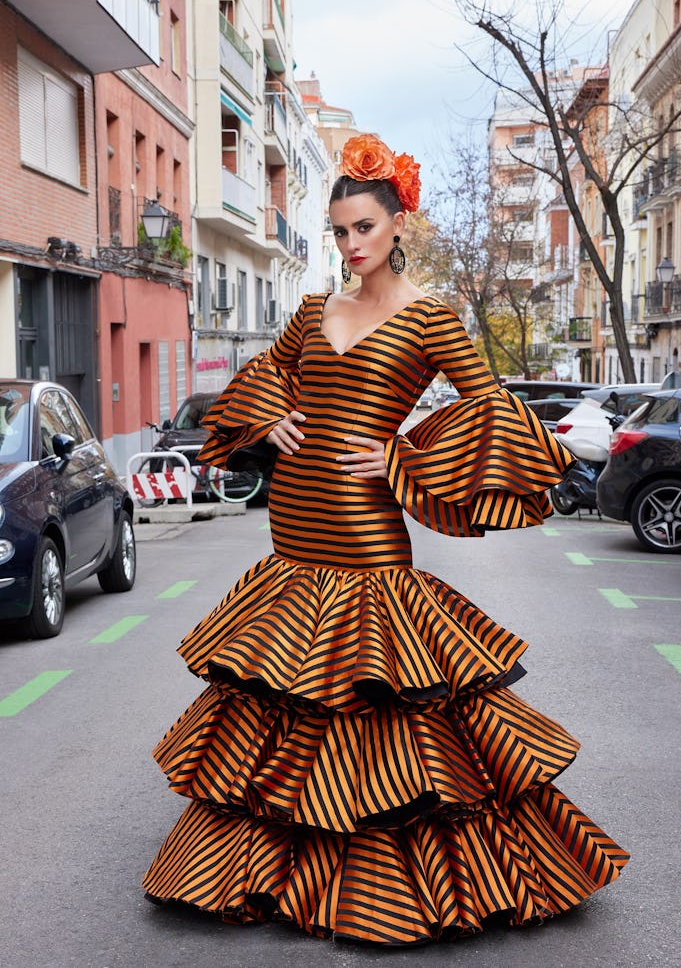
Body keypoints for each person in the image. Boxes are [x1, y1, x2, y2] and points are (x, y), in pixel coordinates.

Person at [142, 134, 629, 945]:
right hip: (295, 514)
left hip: (368, 516)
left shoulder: (430, 315)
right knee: (289, 694)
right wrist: (269, 418)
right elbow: (267, 375)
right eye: (338, 231)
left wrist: (404, 454)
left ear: (398, 224)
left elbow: (488, 406)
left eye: (363, 227)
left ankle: (379, 881)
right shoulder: (311, 310)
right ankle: (266, 870)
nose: (350, 244)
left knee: (377, 685)